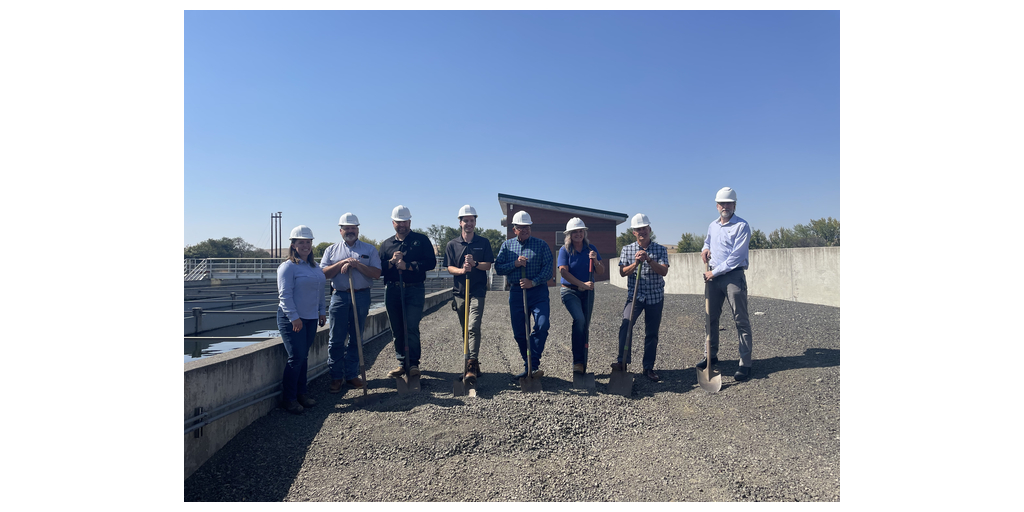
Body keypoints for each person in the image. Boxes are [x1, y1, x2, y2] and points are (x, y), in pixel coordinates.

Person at [320, 213, 382, 393]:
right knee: (336, 339)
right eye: (346, 228)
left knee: (356, 337)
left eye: (353, 228)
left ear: (358, 230)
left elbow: (376, 273)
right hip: (339, 296)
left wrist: (356, 265)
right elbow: (324, 273)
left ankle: (352, 375)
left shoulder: (369, 249)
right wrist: (343, 263)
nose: (350, 231)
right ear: (340, 231)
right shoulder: (331, 250)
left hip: (361, 296)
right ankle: (336, 377)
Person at [698, 187, 755, 381]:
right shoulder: (713, 225)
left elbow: (735, 258)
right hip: (713, 278)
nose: (725, 206)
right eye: (722, 203)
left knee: (741, 320)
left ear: (735, 205)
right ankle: (710, 356)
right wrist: (705, 249)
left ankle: (745, 363)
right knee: (710, 318)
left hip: (733, 277)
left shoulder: (742, 226)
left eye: (728, 203)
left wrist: (713, 272)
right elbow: (708, 242)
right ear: (717, 206)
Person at [494, 210, 553, 380]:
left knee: (542, 325)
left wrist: (533, 282)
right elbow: (498, 268)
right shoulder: (507, 246)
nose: (525, 230)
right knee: (519, 333)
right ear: (514, 229)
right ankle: (530, 365)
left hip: (538, 291)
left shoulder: (541, 245)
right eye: (521, 227)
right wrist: (515, 263)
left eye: (527, 227)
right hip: (516, 292)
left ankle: (532, 364)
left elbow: (548, 270)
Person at [379, 205, 437, 378]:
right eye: (398, 222)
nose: (401, 225)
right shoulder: (386, 244)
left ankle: (413, 364)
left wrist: (409, 266)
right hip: (392, 290)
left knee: (411, 327)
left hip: (414, 289)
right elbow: (379, 269)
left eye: (404, 221)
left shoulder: (421, 240)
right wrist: (391, 262)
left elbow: (431, 263)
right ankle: (402, 362)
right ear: (393, 223)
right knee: (396, 329)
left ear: (409, 222)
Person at [612, 213, 670, 382]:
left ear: (649, 229)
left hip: (655, 297)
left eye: (644, 228)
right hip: (635, 297)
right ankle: (622, 361)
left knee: (651, 333)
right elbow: (622, 272)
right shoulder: (627, 249)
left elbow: (664, 271)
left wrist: (649, 260)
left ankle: (648, 367)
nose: (642, 231)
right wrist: (636, 264)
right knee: (626, 325)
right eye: (638, 229)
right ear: (634, 233)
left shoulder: (660, 249)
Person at [276, 225, 327, 414]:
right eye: (301, 242)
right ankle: (289, 399)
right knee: (296, 357)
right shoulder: (288, 267)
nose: (305, 245)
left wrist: (322, 311)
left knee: (303, 356)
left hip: (311, 318)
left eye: (308, 242)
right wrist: (294, 317)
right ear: (293, 245)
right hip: (292, 319)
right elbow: (285, 295)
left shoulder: (315, 267)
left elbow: (320, 292)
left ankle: (301, 393)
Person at [443, 205, 494, 383]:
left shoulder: (483, 242)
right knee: (465, 330)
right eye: (466, 220)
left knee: (473, 327)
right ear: (460, 222)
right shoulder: (452, 245)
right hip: (459, 292)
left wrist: (475, 264)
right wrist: (462, 270)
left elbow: (488, 265)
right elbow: (449, 267)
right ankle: (474, 362)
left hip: (477, 291)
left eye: (472, 220)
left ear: (475, 222)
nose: (469, 223)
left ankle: (470, 365)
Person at [557, 217, 604, 375]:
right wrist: (582, 284)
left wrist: (595, 261)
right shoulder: (565, 250)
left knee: (585, 326)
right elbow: (563, 271)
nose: (578, 234)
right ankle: (577, 362)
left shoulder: (591, 248)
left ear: (584, 232)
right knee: (580, 320)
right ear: (569, 235)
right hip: (569, 291)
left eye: (580, 231)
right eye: (574, 232)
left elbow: (601, 271)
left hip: (588, 292)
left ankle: (583, 363)